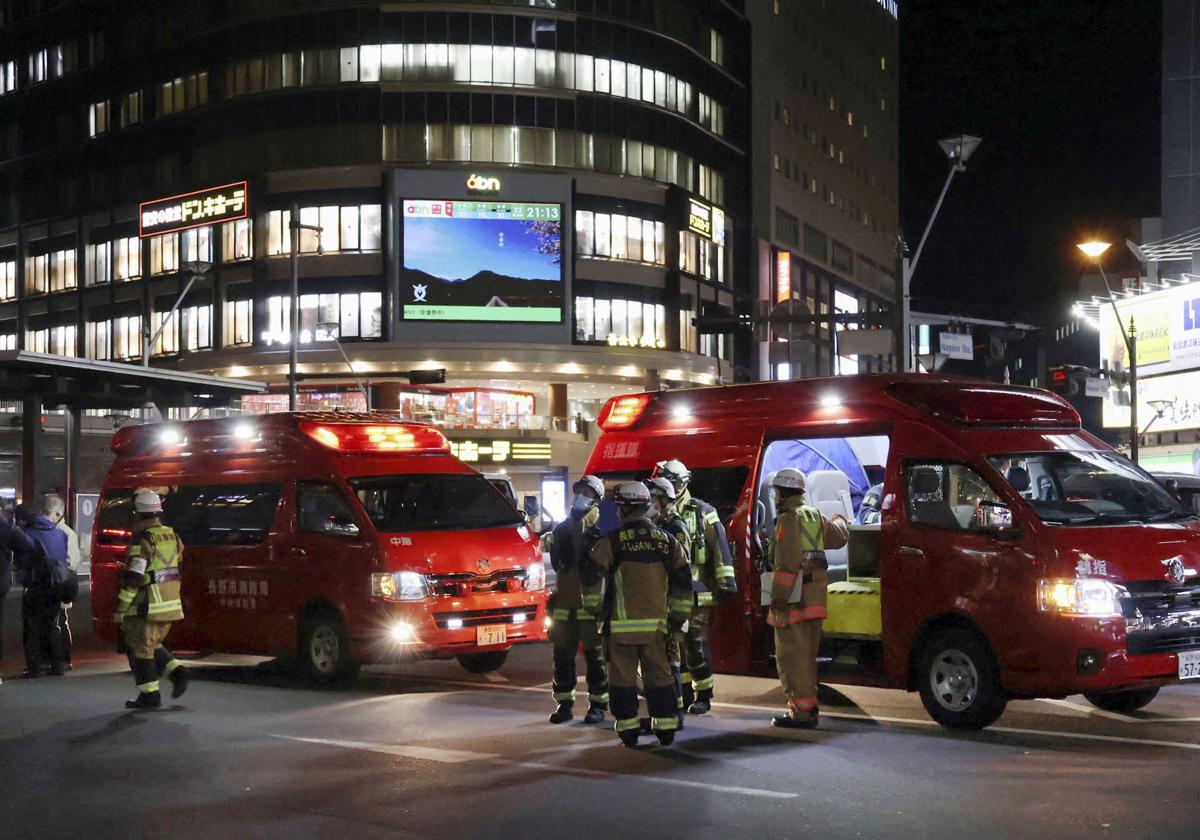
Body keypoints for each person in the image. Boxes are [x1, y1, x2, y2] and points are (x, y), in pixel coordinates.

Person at [584, 482, 692, 748]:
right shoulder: (667, 542)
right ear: (646, 507)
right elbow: (683, 584)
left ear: (622, 510)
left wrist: (596, 610)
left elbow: (592, 584)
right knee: (660, 679)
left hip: (621, 631)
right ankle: (666, 729)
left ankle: (629, 730)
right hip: (658, 630)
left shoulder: (610, 543)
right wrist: (676, 621)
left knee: (622, 682)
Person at [651, 459, 737, 715]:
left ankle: (704, 693)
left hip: (697, 592)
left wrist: (726, 581)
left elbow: (719, 547)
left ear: (683, 483)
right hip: (667, 592)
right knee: (675, 644)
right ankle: (685, 691)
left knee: (695, 644)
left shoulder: (701, 511)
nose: (670, 486)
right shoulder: (658, 512)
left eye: (674, 481)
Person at [767, 467, 849, 729]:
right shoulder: (813, 515)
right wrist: (840, 518)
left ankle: (802, 713)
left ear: (782, 494)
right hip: (815, 600)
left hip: (793, 602)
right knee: (807, 657)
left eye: (776, 492)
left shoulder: (788, 520)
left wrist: (777, 601)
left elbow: (787, 565)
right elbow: (839, 536)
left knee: (792, 659)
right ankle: (807, 707)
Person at [113, 489, 190, 710]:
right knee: (152, 644)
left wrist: (121, 608)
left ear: (137, 514)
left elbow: (135, 578)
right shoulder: (173, 536)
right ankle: (178, 673)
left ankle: (150, 696)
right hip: (170, 603)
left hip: (147, 606)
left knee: (141, 651)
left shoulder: (142, 540)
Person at [541, 475, 608, 725]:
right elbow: (557, 566)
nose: (581, 496)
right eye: (579, 491)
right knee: (562, 656)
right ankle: (564, 704)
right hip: (564, 604)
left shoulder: (603, 528)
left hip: (591, 605)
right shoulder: (561, 529)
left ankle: (598, 705)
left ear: (597, 499)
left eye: (588, 493)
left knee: (595, 657)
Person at [647, 476, 692, 724]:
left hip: (672, 606)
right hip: (663, 606)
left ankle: (675, 712)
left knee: (671, 659)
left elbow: (680, 573)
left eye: (653, 498)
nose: (650, 503)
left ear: (664, 501)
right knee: (667, 660)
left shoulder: (675, 528)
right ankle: (674, 711)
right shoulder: (660, 527)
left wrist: (676, 616)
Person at [11, 504, 69, 678]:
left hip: (37, 585)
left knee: (32, 627)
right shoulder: (58, 531)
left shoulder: (28, 534)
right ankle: (58, 665)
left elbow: (23, 562)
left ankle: (34, 667)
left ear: (20, 520)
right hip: (57, 584)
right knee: (53, 625)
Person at [43, 495, 80, 669]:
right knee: (57, 621)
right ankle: (59, 659)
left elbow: (72, 562)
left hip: (61, 585)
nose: (44, 516)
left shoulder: (66, 533)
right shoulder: (58, 531)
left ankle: (63, 659)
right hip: (59, 584)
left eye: (46, 512)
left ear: (58, 513)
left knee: (59, 622)